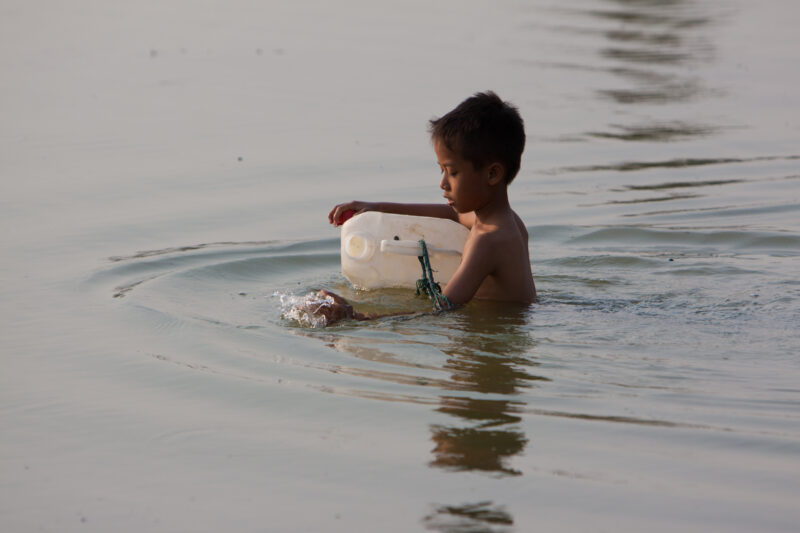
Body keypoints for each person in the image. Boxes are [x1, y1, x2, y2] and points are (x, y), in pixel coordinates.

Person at [321, 91, 535, 324]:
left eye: (452, 172)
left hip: (498, 333)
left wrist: (356, 317)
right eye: (441, 170)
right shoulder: (504, 221)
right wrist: (376, 208)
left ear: (492, 173)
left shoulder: (488, 240)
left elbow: (443, 309)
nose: (443, 183)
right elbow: (451, 214)